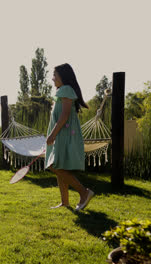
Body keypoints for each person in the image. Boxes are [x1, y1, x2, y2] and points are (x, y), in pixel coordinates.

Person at [45, 63, 94, 211]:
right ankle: (65, 202)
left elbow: (65, 115)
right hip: (62, 133)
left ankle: (84, 193)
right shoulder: (62, 91)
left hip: (63, 134)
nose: (53, 78)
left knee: (54, 165)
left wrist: (53, 134)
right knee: (59, 165)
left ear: (63, 77)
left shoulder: (65, 89)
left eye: (55, 75)